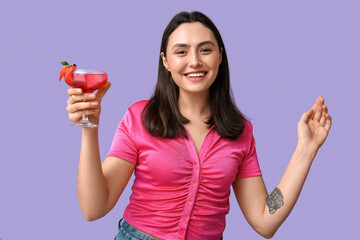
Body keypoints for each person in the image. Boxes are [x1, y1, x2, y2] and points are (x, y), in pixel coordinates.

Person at [65, 11, 332, 240]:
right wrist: (90, 127)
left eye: (205, 49)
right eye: (181, 51)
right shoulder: (140, 117)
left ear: (219, 57)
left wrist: (305, 149)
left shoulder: (240, 131)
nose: (195, 61)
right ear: (166, 62)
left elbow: (265, 220)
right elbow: (93, 208)